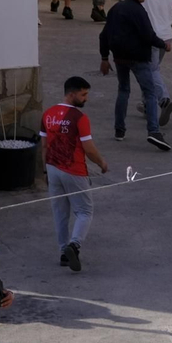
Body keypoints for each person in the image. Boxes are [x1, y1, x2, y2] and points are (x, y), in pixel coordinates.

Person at [99, 0, 172, 151]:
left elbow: (103, 35)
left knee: (123, 90)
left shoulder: (116, 9)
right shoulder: (138, 11)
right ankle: (154, 131)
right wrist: (163, 44)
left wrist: (105, 58)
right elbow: (148, 35)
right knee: (149, 93)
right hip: (138, 58)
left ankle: (119, 130)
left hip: (120, 58)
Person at [42, 76, 109, 271]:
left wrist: (45, 170)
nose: (86, 98)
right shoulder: (79, 118)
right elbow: (88, 148)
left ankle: (64, 252)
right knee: (84, 211)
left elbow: (44, 145)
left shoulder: (48, 114)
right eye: (83, 94)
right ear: (71, 94)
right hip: (74, 169)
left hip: (53, 168)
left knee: (60, 213)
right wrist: (101, 162)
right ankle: (75, 245)